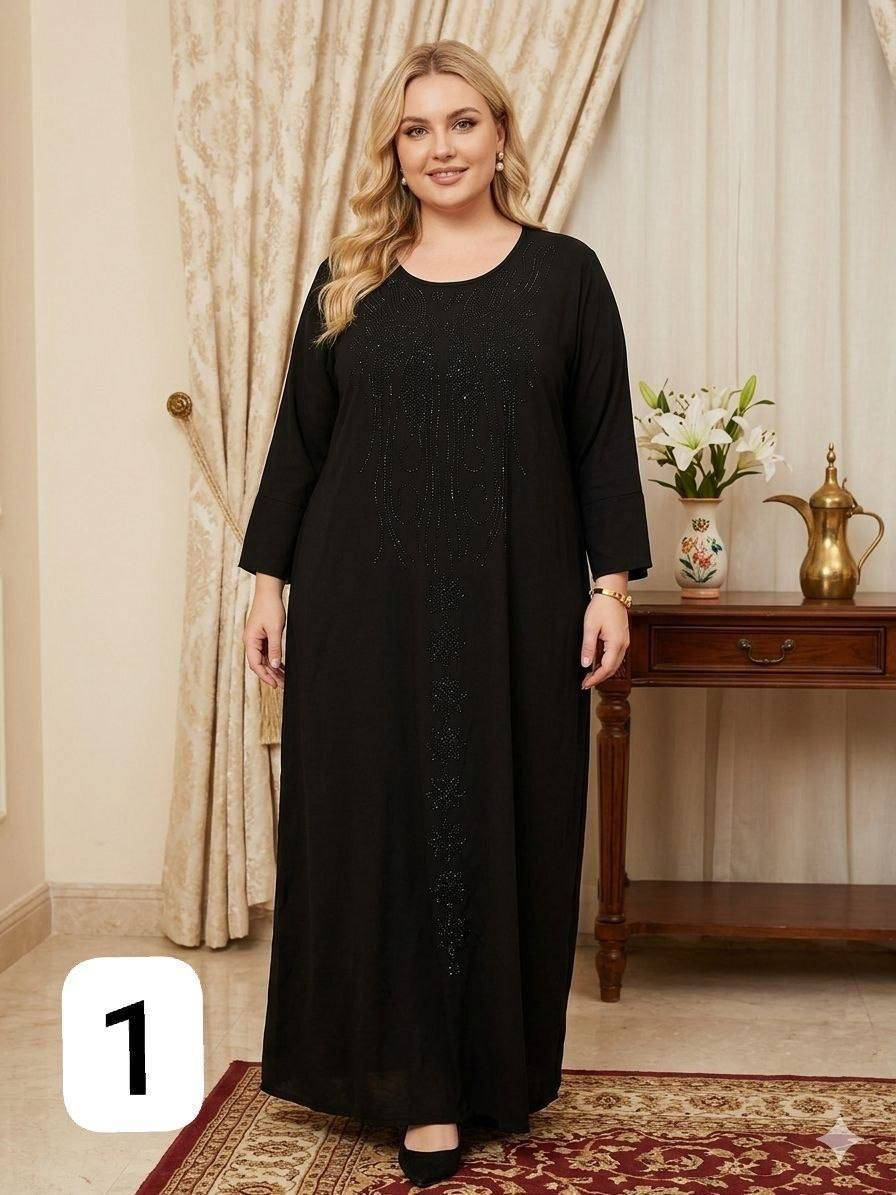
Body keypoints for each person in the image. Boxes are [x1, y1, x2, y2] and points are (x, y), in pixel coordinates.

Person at [239, 38, 652, 1188]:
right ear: (393, 150)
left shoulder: (566, 277)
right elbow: (299, 444)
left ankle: (482, 1069)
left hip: (514, 607)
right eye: (415, 130)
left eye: (461, 122)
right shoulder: (349, 279)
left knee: (494, 824)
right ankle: (412, 1086)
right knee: (375, 830)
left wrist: (609, 588)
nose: (440, 148)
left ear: (500, 134)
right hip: (360, 606)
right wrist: (267, 585)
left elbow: (598, 440)